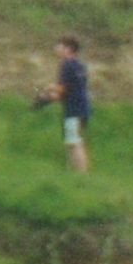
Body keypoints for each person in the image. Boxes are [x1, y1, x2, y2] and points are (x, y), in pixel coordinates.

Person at [36, 36, 91, 173]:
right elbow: (72, 89)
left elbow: (62, 89)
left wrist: (48, 89)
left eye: (59, 46)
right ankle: (71, 172)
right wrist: (50, 97)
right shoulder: (79, 65)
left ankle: (82, 174)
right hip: (82, 107)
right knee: (71, 141)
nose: (56, 49)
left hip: (73, 109)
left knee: (74, 141)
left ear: (68, 49)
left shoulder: (66, 65)